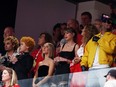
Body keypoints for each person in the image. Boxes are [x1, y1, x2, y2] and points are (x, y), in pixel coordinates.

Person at [81, 17, 116, 87]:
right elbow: (87, 53)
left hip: (104, 67)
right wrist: (83, 64)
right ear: (101, 23)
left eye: (110, 23)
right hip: (91, 68)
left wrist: (99, 40)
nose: (109, 24)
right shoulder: (93, 38)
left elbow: (111, 49)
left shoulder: (113, 37)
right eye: (107, 22)